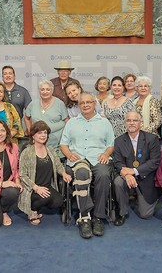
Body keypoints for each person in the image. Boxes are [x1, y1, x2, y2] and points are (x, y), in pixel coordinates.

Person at [60, 92, 115, 239]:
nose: (85, 105)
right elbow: (63, 144)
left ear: (94, 104)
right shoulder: (71, 122)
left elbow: (110, 145)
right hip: (78, 159)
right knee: (82, 173)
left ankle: (98, 217)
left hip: (98, 158)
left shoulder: (104, 122)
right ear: (79, 106)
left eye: (88, 102)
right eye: (82, 103)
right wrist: (68, 154)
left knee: (104, 175)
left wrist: (106, 153)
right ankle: (84, 217)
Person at [18, 121, 72, 225]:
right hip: (32, 188)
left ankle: (39, 205)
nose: (43, 135)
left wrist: (64, 173)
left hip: (47, 186)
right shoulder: (27, 152)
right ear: (33, 135)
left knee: (58, 201)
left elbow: (58, 165)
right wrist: (36, 188)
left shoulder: (50, 150)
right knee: (44, 197)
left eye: (45, 133)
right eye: (40, 133)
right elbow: (22, 175)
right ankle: (33, 211)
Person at [113, 111, 161, 226]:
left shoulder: (152, 139)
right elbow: (118, 162)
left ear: (140, 123)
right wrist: (127, 174)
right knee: (118, 181)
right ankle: (122, 212)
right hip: (127, 176)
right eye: (129, 120)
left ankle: (150, 197)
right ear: (125, 123)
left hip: (145, 177)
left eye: (135, 120)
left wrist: (134, 171)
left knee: (145, 214)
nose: (132, 123)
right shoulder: (119, 141)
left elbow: (155, 162)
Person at [24, 80, 69, 157]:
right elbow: (26, 117)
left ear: (52, 91)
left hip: (56, 146)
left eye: (48, 89)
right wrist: (30, 130)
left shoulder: (59, 103)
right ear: (39, 91)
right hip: (37, 145)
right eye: (42, 89)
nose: (45, 92)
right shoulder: (33, 104)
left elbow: (66, 121)